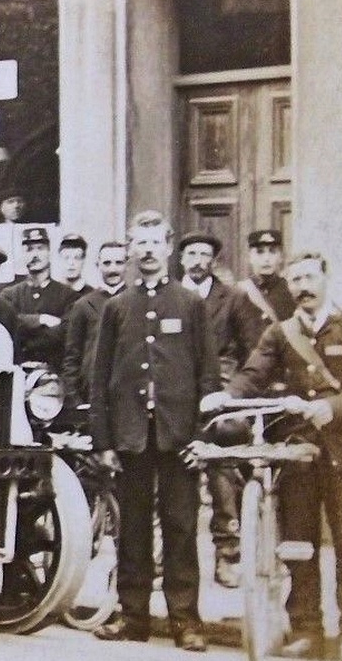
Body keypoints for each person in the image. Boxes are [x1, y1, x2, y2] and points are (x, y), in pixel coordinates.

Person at [203, 253, 342, 661]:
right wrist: (228, 395)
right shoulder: (280, 332)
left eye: (309, 277)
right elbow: (253, 373)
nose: (302, 287)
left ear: (325, 278)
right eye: (295, 281)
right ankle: (307, 630)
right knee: (299, 546)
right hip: (296, 452)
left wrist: (331, 407)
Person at [89, 211, 217, 652]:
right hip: (131, 436)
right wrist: (104, 441)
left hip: (178, 437)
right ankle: (133, 617)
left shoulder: (190, 304)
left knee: (181, 527)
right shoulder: (117, 308)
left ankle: (186, 622)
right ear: (130, 251)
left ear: (168, 248)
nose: (146, 251)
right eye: (139, 243)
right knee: (133, 529)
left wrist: (202, 436)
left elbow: (208, 376)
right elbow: (100, 379)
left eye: (154, 242)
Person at [176, 230, 239, 586]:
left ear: (213, 261)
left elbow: (248, 349)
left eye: (204, 255)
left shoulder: (232, 298)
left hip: (217, 398)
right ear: (181, 259)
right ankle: (163, 556)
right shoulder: (169, 296)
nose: (198, 261)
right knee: (169, 473)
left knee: (221, 469)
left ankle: (227, 554)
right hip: (177, 397)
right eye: (191, 254)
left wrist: (227, 390)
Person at [61, 241, 127, 406]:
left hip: (129, 397)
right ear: (98, 265)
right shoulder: (83, 305)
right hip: (92, 396)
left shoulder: (137, 302)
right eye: (107, 263)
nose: (113, 269)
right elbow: (72, 357)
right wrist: (75, 400)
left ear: (126, 264)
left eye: (119, 263)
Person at [2, 227, 80, 366]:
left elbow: (67, 333)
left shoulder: (69, 295)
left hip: (55, 370)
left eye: (40, 248)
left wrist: (24, 330)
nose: (35, 254)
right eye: (29, 249)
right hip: (19, 368)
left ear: (49, 252)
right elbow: (7, 326)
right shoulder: (9, 294)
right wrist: (41, 319)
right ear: (22, 254)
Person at [223, 229, 294, 368]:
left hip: (284, 368)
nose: (266, 258)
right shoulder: (238, 293)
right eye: (260, 252)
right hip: (249, 368)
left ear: (281, 257)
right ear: (249, 257)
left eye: (272, 252)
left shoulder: (292, 291)